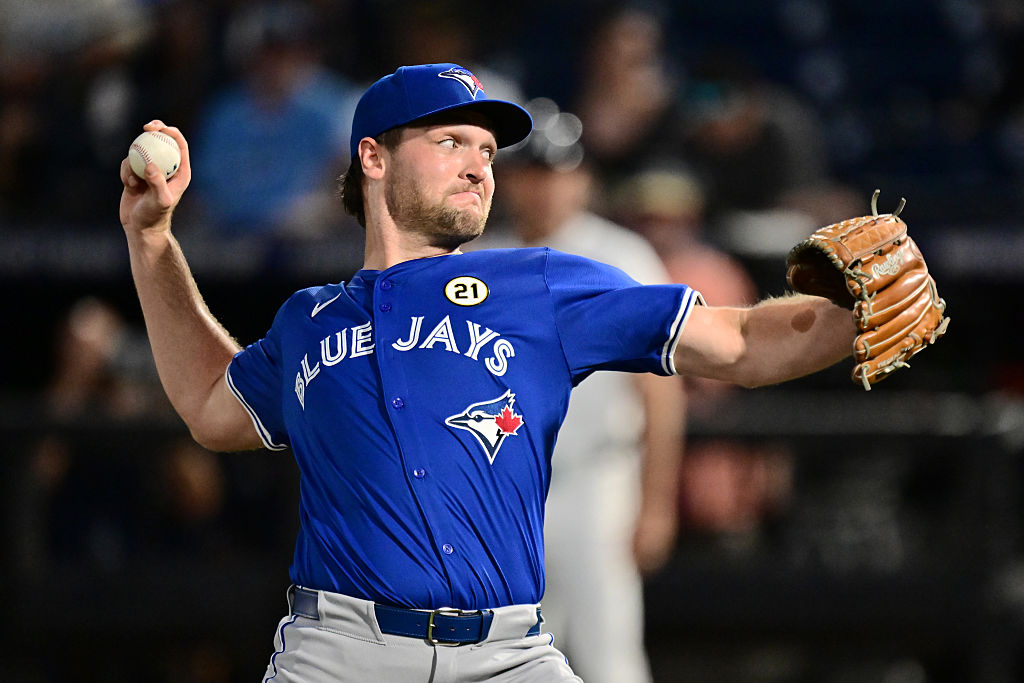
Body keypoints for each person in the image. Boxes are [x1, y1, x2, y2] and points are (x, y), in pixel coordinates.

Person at [119, 63, 855, 682]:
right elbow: (213, 407)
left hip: (507, 655)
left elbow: (740, 344)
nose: (479, 165)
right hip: (339, 655)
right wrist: (151, 241)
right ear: (373, 157)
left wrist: (848, 313)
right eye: (450, 142)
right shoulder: (310, 319)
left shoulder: (539, 285)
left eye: (486, 151)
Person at [475, 98, 684, 683]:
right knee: (504, 662)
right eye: (530, 172)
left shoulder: (621, 256)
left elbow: (661, 395)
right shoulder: (480, 260)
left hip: (596, 483)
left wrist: (657, 500)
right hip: (504, 491)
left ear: (583, 179)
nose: (542, 188)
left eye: (556, 172)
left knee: (608, 656)